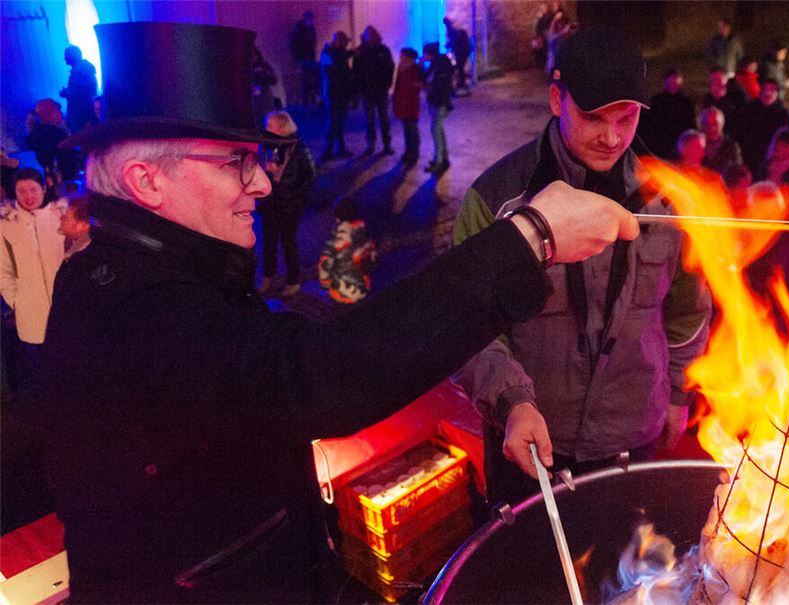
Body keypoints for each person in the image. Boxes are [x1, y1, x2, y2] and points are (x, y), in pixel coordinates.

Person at [41, 22, 638, 603]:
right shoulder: (123, 310)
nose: (262, 184)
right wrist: (529, 237)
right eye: (235, 162)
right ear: (146, 181)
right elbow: (316, 375)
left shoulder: (165, 271)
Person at [452, 26, 711, 507]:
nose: (612, 138)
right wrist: (512, 401)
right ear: (557, 100)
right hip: (532, 439)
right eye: (593, 117)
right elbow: (468, 327)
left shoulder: (671, 201)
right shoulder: (496, 200)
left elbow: (688, 312)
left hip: (632, 434)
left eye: (627, 118)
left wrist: (678, 393)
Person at [0, 168, 65, 387]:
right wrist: (16, 300)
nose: (28, 196)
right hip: (30, 309)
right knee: (38, 371)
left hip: (63, 304)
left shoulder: (60, 215)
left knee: (67, 364)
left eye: (33, 189)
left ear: (44, 188)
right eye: (21, 191)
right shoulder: (6, 224)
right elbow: (3, 271)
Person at [258, 111, 315, 298]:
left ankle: (293, 281)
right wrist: (265, 170)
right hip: (270, 203)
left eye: (270, 125)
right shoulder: (268, 144)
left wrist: (296, 198)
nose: (266, 128)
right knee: (269, 242)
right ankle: (268, 276)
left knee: (288, 242)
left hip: (290, 206)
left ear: (282, 128)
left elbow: (310, 176)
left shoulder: (298, 147)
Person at [318, 197, 376, 303]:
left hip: (341, 294)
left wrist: (325, 286)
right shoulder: (367, 235)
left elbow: (325, 268)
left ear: (337, 218)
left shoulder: (336, 240)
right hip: (363, 291)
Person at [353, 26, 395, 156]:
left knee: (384, 117)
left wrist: (387, 83)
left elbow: (390, 67)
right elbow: (356, 70)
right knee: (370, 118)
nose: (369, 37)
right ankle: (371, 144)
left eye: (371, 34)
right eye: (368, 35)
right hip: (368, 89)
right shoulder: (361, 51)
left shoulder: (383, 50)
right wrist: (359, 87)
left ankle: (386, 144)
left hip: (380, 88)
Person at [638, 68, 696, 160]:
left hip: (679, 145)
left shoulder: (686, 103)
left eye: (675, 83)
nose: (673, 86)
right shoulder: (656, 101)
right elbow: (648, 124)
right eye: (671, 83)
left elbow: (690, 125)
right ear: (665, 82)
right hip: (659, 145)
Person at [738, 78, 788, 177]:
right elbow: (741, 133)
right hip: (749, 157)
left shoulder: (783, 115)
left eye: (772, 90)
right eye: (765, 89)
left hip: (771, 159)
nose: (768, 93)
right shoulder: (749, 110)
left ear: (777, 93)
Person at [320, 32, 354, 161]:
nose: (346, 44)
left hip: (341, 92)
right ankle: (328, 150)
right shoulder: (327, 53)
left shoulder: (339, 52)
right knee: (332, 121)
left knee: (339, 121)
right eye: (345, 41)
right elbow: (332, 69)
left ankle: (340, 148)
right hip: (333, 92)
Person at [423, 42, 454, 175]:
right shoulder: (435, 64)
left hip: (439, 102)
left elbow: (439, 84)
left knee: (436, 131)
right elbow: (425, 79)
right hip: (435, 101)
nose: (424, 56)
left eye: (425, 54)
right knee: (438, 130)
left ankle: (439, 162)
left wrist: (428, 87)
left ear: (430, 54)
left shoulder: (441, 66)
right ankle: (443, 159)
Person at [393, 47, 425, 167]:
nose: (401, 57)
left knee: (412, 130)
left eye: (403, 55)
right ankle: (408, 151)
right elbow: (397, 85)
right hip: (402, 102)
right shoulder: (401, 68)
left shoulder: (416, 69)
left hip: (411, 103)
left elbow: (420, 84)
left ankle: (414, 154)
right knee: (407, 129)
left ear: (409, 57)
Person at [60, 45, 98, 133]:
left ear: (73, 55)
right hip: (80, 116)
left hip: (82, 116)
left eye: (66, 55)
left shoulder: (84, 70)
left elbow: (88, 91)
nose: (64, 58)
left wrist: (68, 93)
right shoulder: (82, 69)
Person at [703, 67, 746, 140]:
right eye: (713, 81)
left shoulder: (737, 97)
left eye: (719, 81)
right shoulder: (709, 98)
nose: (716, 85)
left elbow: (741, 123)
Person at [288, 11, 319, 107]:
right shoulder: (299, 29)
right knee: (306, 78)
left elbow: (312, 43)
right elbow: (297, 43)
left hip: (308, 57)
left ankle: (310, 100)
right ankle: (306, 101)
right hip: (302, 57)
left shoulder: (310, 28)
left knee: (309, 78)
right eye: (311, 19)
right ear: (305, 18)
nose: (312, 21)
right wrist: (297, 57)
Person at [444, 17, 472, 94]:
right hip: (462, 53)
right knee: (460, 68)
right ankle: (461, 83)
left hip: (459, 53)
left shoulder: (451, 30)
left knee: (458, 68)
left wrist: (448, 45)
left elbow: (455, 41)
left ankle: (461, 83)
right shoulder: (454, 30)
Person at [59, 192, 91, 258]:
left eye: (66, 217)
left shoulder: (80, 256)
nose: (61, 218)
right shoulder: (72, 245)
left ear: (83, 225)